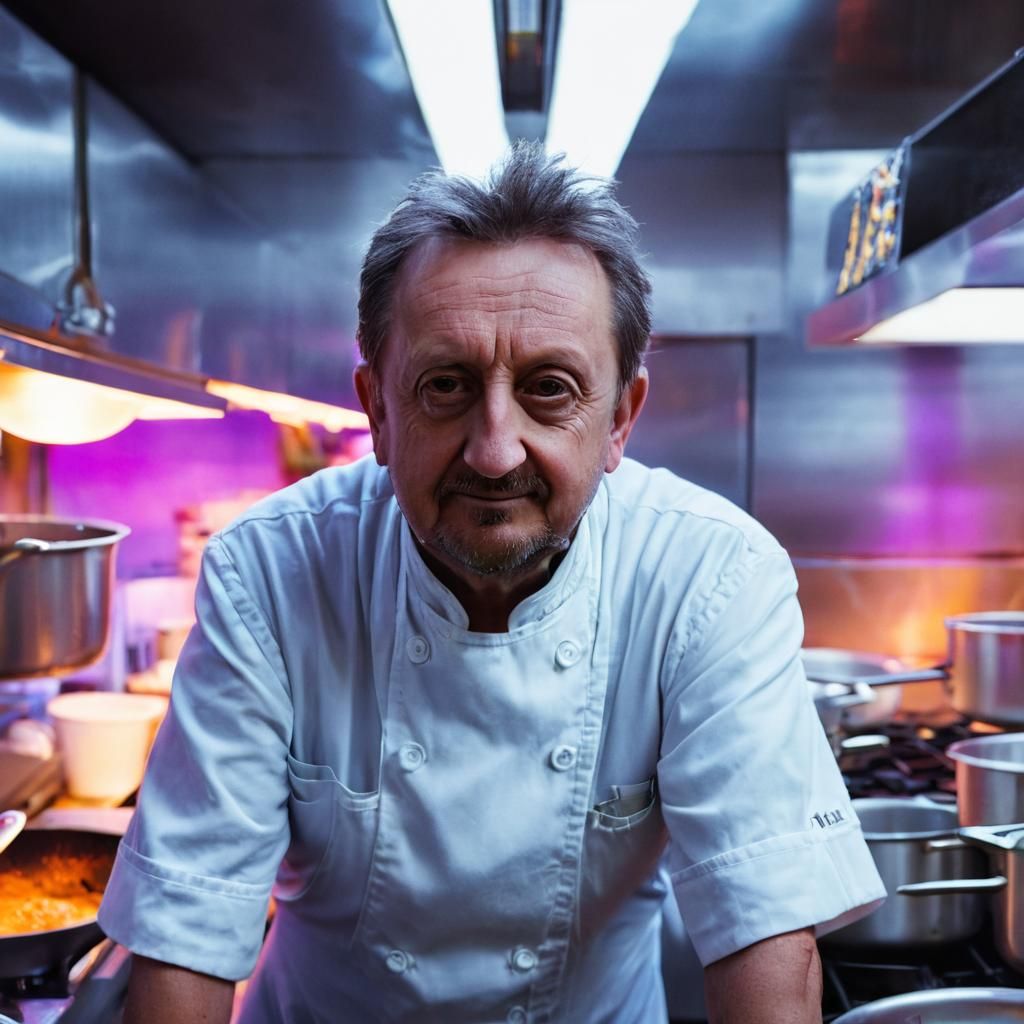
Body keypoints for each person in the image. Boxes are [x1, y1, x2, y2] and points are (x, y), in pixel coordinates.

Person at [100, 142, 885, 1024]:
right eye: (446, 385)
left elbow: (765, 928)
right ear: (378, 410)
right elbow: (189, 927)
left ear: (621, 418)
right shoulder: (272, 572)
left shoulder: (710, 577)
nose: (494, 449)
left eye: (550, 388)